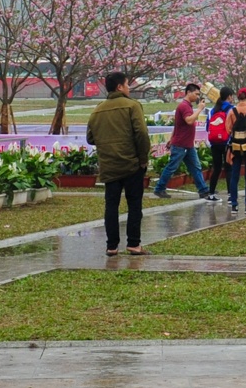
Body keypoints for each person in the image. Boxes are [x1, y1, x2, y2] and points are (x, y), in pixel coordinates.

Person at [86, 70, 152, 256]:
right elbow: (141, 134)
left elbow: (91, 138)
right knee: (134, 205)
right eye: (127, 84)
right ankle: (134, 244)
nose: (129, 88)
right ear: (119, 87)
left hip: (108, 166)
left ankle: (111, 246)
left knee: (111, 206)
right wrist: (143, 159)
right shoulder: (132, 106)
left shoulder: (98, 109)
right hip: (131, 164)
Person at [154, 82, 209, 199]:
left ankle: (203, 190)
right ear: (188, 92)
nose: (197, 97)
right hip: (181, 144)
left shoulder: (187, 106)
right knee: (172, 167)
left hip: (187, 144)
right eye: (196, 94)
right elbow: (189, 120)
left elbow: (177, 125)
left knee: (196, 167)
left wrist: (171, 138)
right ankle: (159, 188)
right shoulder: (184, 106)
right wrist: (199, 109)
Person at [202, 87, 235, 201]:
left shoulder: (213, 110)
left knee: (216, 168)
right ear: (229, 96)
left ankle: (211, 194)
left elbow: (208, 127)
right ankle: (231, 196)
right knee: (229, 168)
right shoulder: (231, 109)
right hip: (227, 143)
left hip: (214, 143)